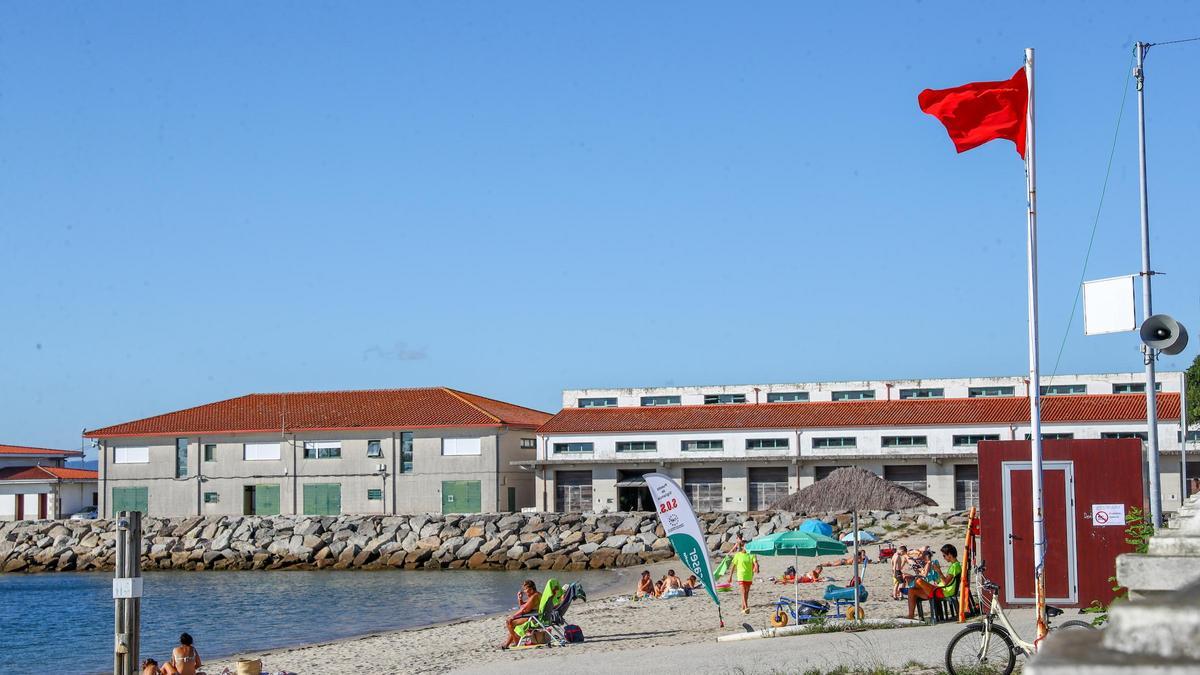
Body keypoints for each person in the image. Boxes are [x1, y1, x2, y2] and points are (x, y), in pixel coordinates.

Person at [906, 544, 962, 620]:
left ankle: (915, 588)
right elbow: (946, 581)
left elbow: (945, 583)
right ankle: (910, 617)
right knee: (911, 590)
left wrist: (938, 571)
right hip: (940, 589)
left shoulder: (955, 566)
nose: (944, 558)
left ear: (949, 555)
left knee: (918, 581)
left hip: (943, 592)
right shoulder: (955, 565)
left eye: (944, 556)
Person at [502, 580, 541, 649]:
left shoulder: (534, 596)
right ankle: (507, 644)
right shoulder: (537, 594)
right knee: (512, 622)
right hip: (536, 617)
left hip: (534, 619)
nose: (524, 591)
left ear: (531, 589)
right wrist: (520, 599)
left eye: (526, 589)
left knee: (509, 622)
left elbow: (525, 610)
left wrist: (513, 617)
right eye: (524, 589)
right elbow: (523, 606)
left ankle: (516, 642)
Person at [725, 540, 759, 614]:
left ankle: (743, 607)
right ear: (742, 546)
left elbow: (755, 562)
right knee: (743, 591)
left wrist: (756, 568)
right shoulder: (738, 555)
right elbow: (733, 566)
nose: (747, 548)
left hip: (749, 576)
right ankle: (746, 607)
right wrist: (730, 576)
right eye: (746, 546)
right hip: (741, 576)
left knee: (746, 592)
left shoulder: (751, 554)